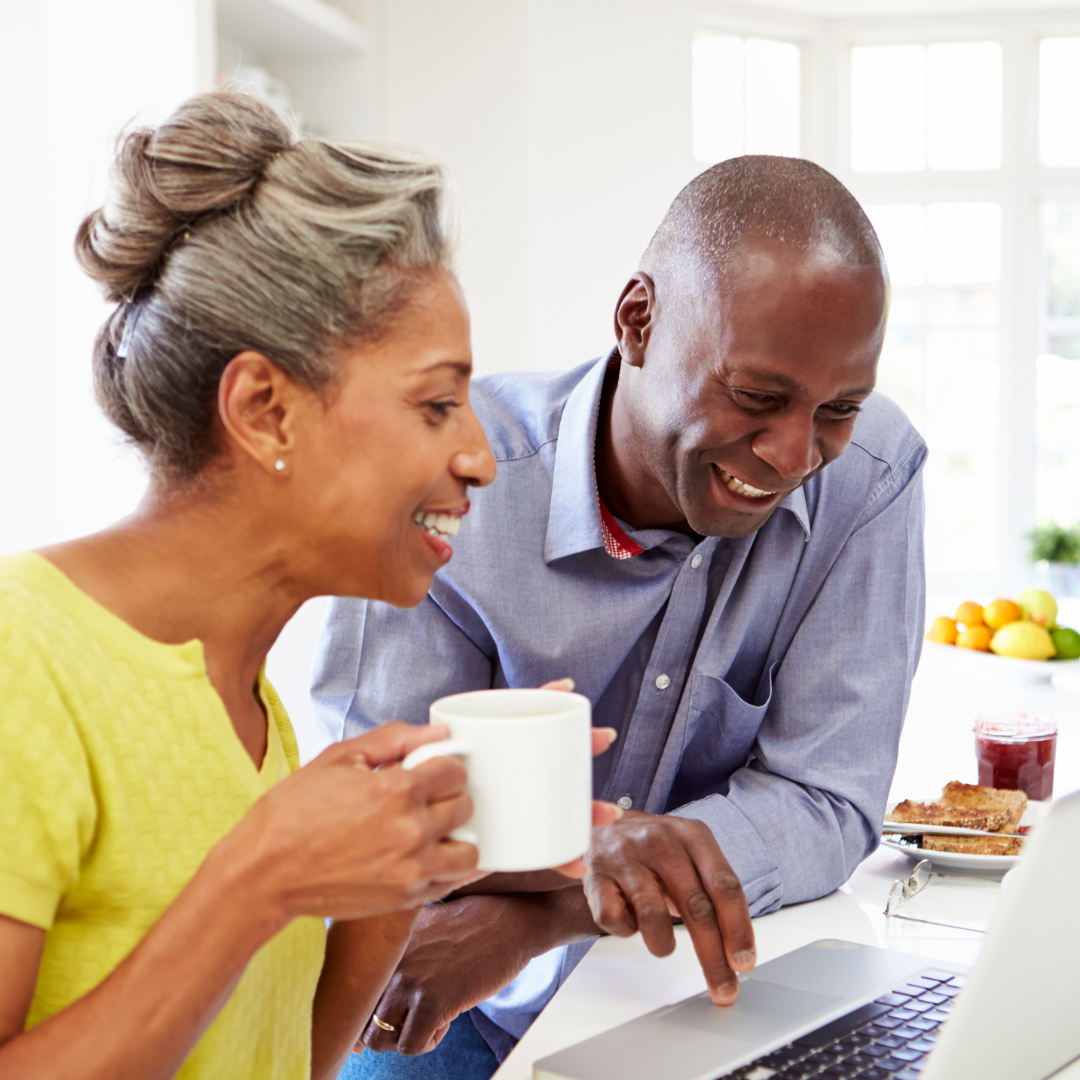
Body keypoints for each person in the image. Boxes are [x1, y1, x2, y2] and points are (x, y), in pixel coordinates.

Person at [0, 90, 620, 1080]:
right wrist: (259, 879)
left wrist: (414, 866)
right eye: (436, 403)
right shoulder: (22, 662)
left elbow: (282, 1064)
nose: (480, 457)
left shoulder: (254, 713)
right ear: (265, 410)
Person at [313, 155, 927, 1080]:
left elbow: (827, 800)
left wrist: (556, 904)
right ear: (638, 321)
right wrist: (582, 854)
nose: (797, 452)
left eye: (838, 408)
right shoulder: (448, 480)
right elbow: (368, 826)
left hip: (697, 990)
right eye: (758, 397)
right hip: (456, 991)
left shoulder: (872, 478)